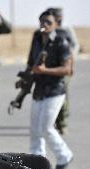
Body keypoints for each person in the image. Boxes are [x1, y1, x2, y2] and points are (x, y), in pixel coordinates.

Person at [24, 10, 73, 169]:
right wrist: (25, 78)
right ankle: (38, 164)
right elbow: (31, 62)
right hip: (39, 89)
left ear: (55, 25)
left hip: (55, 91)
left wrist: (45, 70)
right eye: (42, 21)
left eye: (49, 22)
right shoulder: (37, 38)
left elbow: (67, 69)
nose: (44, 25)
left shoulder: (61, 41)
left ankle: (64, 156)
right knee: (35, 130)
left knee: (46, 128)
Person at [46, 7, 80, 135]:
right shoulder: (50, 29)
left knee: (63, 95)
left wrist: (71, 62)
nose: (58, 17)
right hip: (51, 68)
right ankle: (53, 121)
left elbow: (74, 46)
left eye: (59, 15)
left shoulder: (66, 29)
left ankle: (63, 123)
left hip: (64, 66)